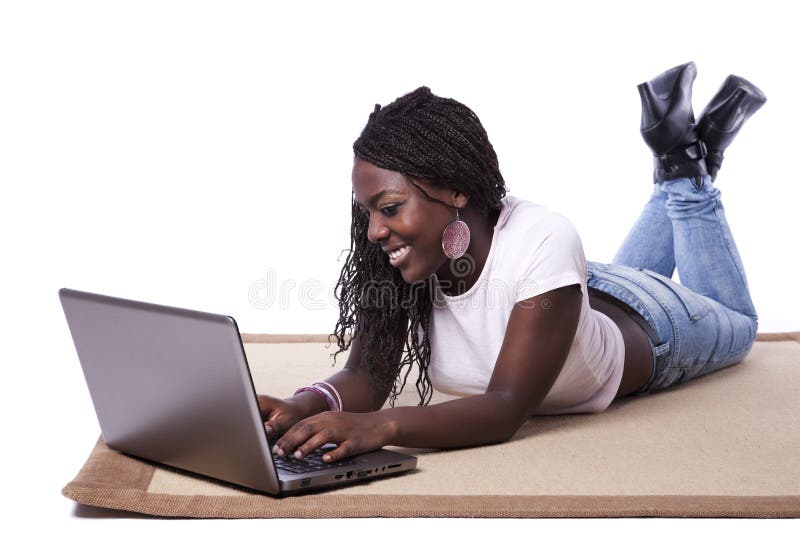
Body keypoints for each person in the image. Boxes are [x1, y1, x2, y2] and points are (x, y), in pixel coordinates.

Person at [257, 62, 766, 465]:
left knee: (740, 324)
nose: (373, 231)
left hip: (654, 325)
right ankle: (683, 154)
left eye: (389, 208)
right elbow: (367, 375)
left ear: (455, 188)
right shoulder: (401, 255)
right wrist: (304, 406)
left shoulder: (544, 238)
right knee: (577, 281)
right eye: (366, 212)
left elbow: (504, 408)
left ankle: (686, 169)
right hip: (567, 296)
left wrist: (384, 426)